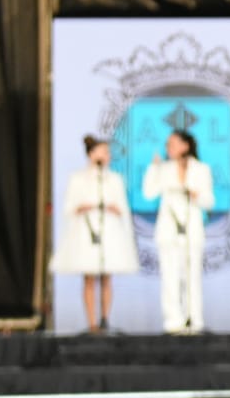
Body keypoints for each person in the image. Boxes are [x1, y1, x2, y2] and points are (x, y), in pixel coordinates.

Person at [50, 135, 139, 333]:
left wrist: (113, 208)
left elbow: (123, 207)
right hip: (87, 231)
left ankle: (105, 318)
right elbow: (69, 207)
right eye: (103, 152)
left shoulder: (114, 179)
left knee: (107, 277)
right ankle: (91, 323)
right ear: (92, 154)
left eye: (108, 153)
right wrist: (85, 206)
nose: (106, 156)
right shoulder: (78, 178)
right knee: (89, 278)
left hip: (108, 231)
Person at [143, 128, 214, 334]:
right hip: (169, 229)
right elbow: (149, 193)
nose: (169, 148)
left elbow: (209, 201)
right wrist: (153, 168)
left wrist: (196, 195)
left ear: (186, 145)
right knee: (170, 276)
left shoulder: (201, 169)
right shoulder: (163, 169)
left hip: (192, 229)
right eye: (167, 145)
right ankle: (173, 321)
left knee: (192, 277)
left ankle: (194, 319)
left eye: (172, 144)